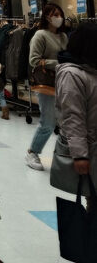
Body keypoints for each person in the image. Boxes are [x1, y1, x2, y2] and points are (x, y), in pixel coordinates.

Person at [26, 2, 69, 171]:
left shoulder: (64, 36)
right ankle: (33, 152)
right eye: (54, 14)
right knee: (48, 122)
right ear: (47, 17)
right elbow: (34, 60)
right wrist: (58, 63)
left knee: (66, 122)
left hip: (65, 82)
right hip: (47, 83)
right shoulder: (40, 35)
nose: (58, 18)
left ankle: (65, 156)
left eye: (60, 14)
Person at [56, 23, 97, 187]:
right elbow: (73, 116)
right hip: (91, 148)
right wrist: (80, 155)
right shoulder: (71, 74)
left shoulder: (92, 70)